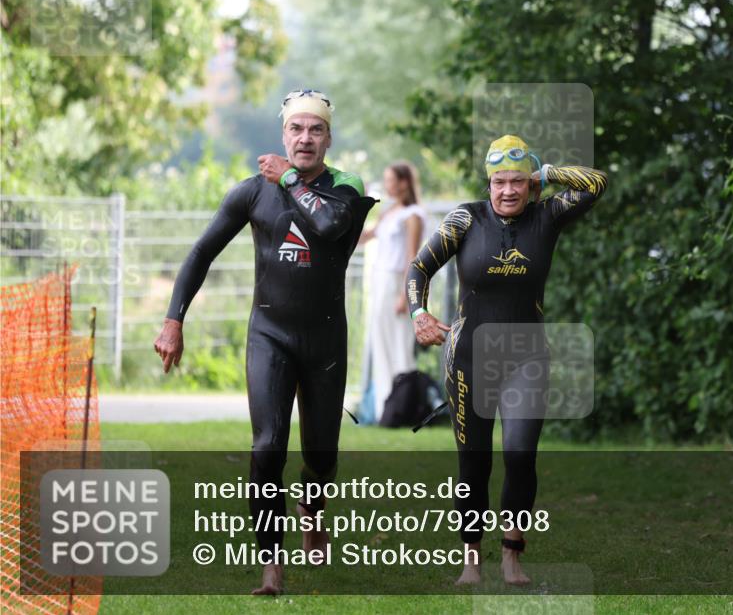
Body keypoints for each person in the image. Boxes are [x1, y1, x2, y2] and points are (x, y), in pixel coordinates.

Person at [153, 89, 375, 596]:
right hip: (270, 335)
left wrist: (290, 180)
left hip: (325, 339)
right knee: (267, 445)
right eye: (296, 129)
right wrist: (173, 321)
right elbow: (202, 252)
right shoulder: (253, 193)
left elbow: (327, 225)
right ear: (283, 135)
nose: (305, 138)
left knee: (321, 454)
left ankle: (312, 507)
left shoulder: (347, 187)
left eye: (315, 130)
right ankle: (271, 565)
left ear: (328, 139)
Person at [405, 134, 608, 585]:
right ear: (489, 184)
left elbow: (596, 183)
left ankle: (512, 555)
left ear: (530, 184)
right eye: (499, 182)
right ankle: (471, 560)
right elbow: (419, 268)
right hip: (468, 359)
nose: (508, 190)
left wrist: (546, 173)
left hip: (526, 359)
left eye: (518, 181)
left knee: (519, 454)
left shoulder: (547, 215)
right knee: (473, 463)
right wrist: (419, 313)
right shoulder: (466, 219)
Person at [357, 161, 427, 423]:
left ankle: (404, 408)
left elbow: (412, 257)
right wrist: (359, 206)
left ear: (404, 182)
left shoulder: (413, 215)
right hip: (379, 281)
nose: (387, 185)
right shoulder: (388, 213)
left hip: (397, 281)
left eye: (390, 180)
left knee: (400, 345)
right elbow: (363, 238)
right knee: (381, 343)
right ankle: (385, 410)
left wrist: (405, 295)